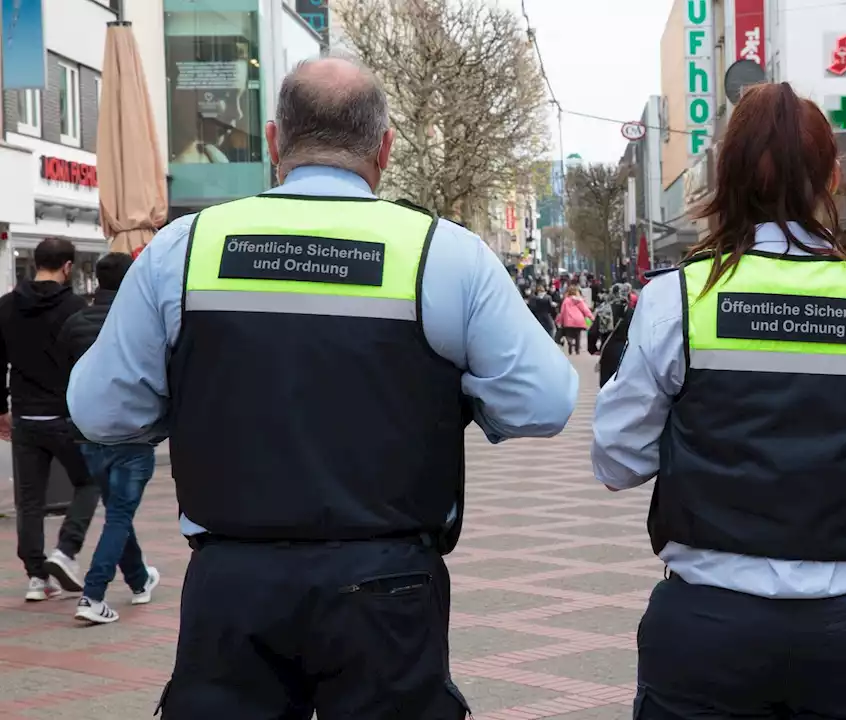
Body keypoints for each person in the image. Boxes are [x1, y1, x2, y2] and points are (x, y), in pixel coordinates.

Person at [68, 56, 577, 718]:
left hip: (233, 585)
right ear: (385, 148)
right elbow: (545, 403)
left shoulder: (182, 249)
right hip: (388, 586)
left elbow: (100, 410)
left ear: (275, 142)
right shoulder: (443, 253)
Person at [591, 82, 846, 720]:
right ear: (832, 176)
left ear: (725, 176)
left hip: (708, 634)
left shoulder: (679, 299)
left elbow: (617, 463)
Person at [56, 252, 162, 624]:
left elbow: (65, 370)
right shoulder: (141, 321)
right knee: (118, 515)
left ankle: (138, 579)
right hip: (133, 433)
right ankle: (93, 595)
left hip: (88, 431)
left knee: (119, 511)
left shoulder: (76, 321)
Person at [0, 237, 100, 601]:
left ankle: (36, 578)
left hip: (25, 415)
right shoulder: (75, 308)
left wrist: (1, 409)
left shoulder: (6, 307)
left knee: (29, 501)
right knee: (90, 483)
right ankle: (66, 550)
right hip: (66, 415)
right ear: (68, 267)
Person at [556, 285, 593, 355]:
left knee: (569, 335)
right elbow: (585, 310)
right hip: (579, 320)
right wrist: (591, 317)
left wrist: (560, 321)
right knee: (578, 335)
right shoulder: (580, 300)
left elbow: (562, 312)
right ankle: (577, 350)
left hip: (568, 320)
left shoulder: (566, 300)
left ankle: (570, 346)